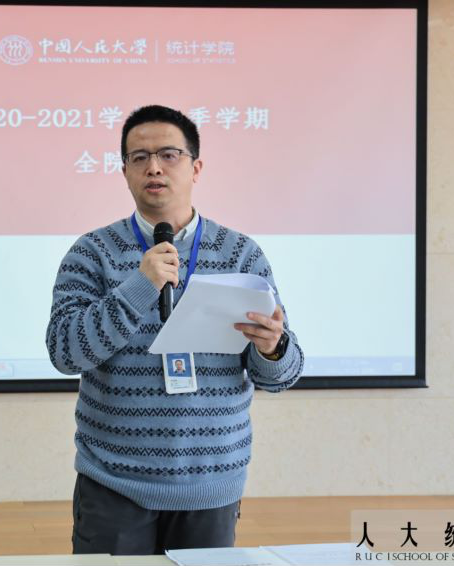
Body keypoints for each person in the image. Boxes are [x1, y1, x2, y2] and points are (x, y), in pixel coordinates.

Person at [45, 105, 304, 555]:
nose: (154, 167)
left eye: (169, 154)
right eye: (139, 157)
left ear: (196, 167)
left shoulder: (240, 254)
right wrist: (139, 287)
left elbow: (281, 375)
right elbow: (65, 352)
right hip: (114, 483)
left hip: (211, 483)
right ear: (124, 172)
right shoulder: (92, 252)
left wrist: (273, 348)